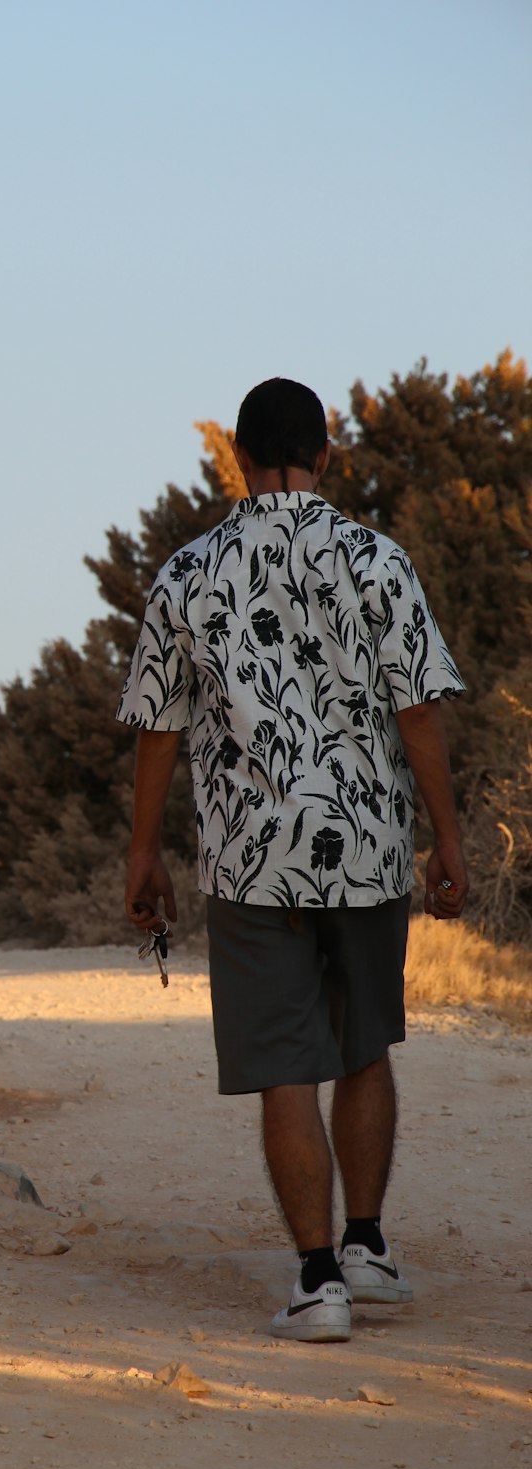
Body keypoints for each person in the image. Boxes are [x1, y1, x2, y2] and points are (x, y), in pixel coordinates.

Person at [116, 376, 468, 1343]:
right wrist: (449, 834)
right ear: (328, 453)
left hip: (248, 857)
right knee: (364, 1048)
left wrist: (145, 853)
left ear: (235, 457)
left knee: (284, 1066)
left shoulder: (187, 573)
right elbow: (418, 712)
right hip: (364, 845)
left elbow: (158, 728)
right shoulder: (378, 560)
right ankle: (369, 1246)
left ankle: (318, 1283)